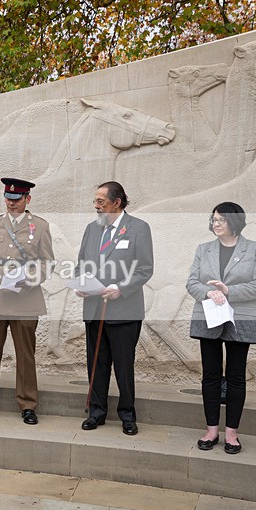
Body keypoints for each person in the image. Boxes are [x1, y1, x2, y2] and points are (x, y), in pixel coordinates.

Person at [0, 178, 54, 425]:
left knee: (25, 355)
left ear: (27, 199)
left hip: (25, 300)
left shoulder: (40, 226)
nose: (11, 204)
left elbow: (47, 262)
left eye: (16, 200)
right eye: (8, 199)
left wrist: (26, 278)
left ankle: (27, 405)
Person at [186, 202, 256, 454]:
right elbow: (191, 282)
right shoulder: (204, 249)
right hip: (208, 317)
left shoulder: (255, 250)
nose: (215, 224)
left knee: (235, 376)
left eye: (220, 219)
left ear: (234, 221)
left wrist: (229, 290)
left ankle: (231, 433)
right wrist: (209, 291)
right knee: (210, 375)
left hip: (240, 318)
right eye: (213, 220)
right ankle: (211, 429)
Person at [75, 181, 153, 436]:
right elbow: (81, 264)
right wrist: (80, 284)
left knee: (123, 365)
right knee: (96, 364)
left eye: (101, 202)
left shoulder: (138, 228)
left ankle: (127, 415)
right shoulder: (91, 229)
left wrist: (121, 288)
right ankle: (96, 413)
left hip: (124, 311)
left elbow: (144, 269)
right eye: (95, 202)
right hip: (95, 308)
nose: (96, 206)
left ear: (117, 202)